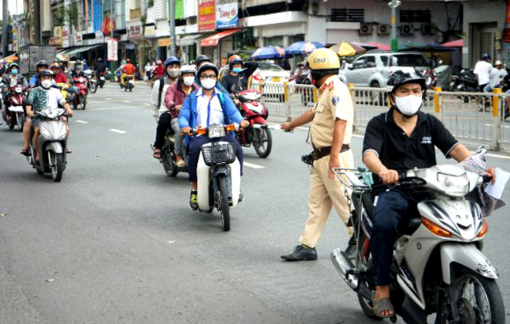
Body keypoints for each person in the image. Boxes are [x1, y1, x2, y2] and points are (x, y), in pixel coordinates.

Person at [361, 70, 496, 318]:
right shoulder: (379, 124)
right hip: (394, 188)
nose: (411, 96)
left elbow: (455, 150)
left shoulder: (429, 122)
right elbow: (370, 154)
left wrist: (481, 168)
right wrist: (383, 170)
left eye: (415, 91)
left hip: (430, 189)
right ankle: (381, 289)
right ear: (392, 97)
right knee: (385, 224)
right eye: (404, 91)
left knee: (455, 221)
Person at [280, 48, 355, 261]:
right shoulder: (326, 90)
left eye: (311, 70)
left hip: (334, 157)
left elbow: (341, 122)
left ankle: (360, 240)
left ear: (317, 72)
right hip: (320, 158)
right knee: (317, 205)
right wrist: (292, 124)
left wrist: (334, 158)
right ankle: (307, 245)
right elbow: (313, 112)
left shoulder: (336, 90)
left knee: (345, 201)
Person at [179, 63, 249, 210]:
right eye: (204, 76)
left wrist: (241, 121)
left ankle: (237, 186)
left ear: (216, 78)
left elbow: (233, 113)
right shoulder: (192, 99)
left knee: (237, 148)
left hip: (223, 133)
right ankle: (195, 189)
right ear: (199, 78)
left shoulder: (223, 97)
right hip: (201, 135)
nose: (208, 79)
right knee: (194, 151)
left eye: (211, 76)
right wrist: (185, 127)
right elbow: (183, 116)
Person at [152, 65, 199, 166]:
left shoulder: (196, 88)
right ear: (181, 76)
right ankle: (178, 156)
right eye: (187, 75)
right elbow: (168, 99)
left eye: (191, 75)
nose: (189, 77)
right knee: (180, 130)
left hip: (195, 117)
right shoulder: (172, 88)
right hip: (177, 116)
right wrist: (174, 105)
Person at [23, 70, 73, 161]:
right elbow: (28, 104)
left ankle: (64, 147)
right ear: (40, 79)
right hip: (39, 116)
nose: (46, 80)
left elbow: (63, 102)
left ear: (51, 79)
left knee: (66, 127)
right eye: (44, 78)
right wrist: (30, 112)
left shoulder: (56, 91)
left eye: (48, 78)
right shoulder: (34, 91)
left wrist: (68, 109)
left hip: (55, 116)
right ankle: (37, 153)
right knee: (37, 130)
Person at [150, 57, 182, 154]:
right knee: (163, 121)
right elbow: (154, 103)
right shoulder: (159, 83)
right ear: (166, 68)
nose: (174, 69)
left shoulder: (184, 82)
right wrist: (157, 118)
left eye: (176, 67)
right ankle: (158, 146)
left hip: (182, 112)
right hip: (166, 112)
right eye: (171, 66)